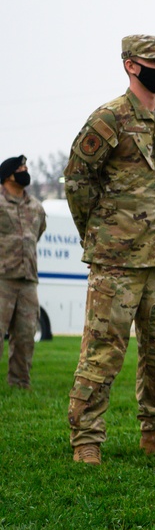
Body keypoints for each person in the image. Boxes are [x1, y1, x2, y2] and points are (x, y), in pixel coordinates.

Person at [63, 34, 155, 465]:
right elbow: (77, 181)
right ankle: (86, 437)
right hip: (116, 261)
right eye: (152, 62)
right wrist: (100, 232)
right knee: (103, 351)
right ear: (130, 65)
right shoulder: (107, 118)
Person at [0, 155, 46, 389]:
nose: (25, 171)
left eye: (26, 167)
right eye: (20, 168)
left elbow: (36, 234)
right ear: (7, 175)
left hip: (28, 280)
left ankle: (19, 383)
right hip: (2, 279)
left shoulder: (36, 207)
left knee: (26, 335)